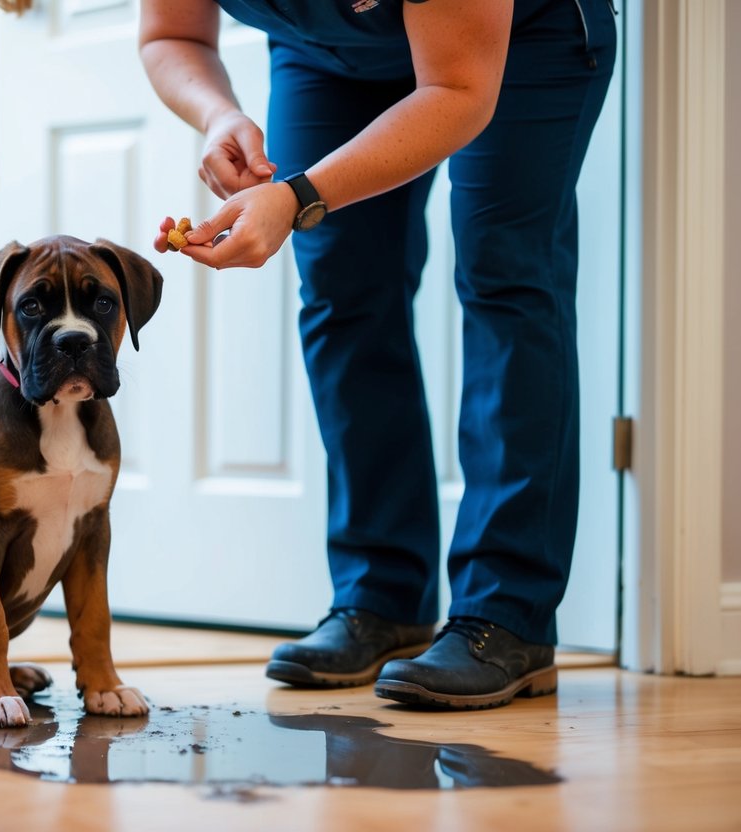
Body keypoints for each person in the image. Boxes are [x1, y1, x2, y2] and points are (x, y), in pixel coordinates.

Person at [139, 0, 616, 710]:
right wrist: (217, 114)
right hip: (329, 56)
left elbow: (454, 91)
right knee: (341, 288)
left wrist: (298, 194)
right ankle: (381, 596)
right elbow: (170, 34)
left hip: (516, 43)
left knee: (506, 278)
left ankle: (506, 616)